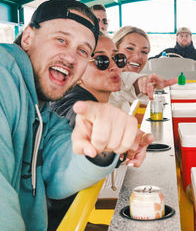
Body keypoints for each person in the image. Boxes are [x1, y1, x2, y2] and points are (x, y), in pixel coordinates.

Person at [1, 0, 152, 231]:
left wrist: (103, 145)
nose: (71, 58)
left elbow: (60, 174)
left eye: (83, 51)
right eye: (61, 40)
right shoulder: (3, 76)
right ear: (28, 37)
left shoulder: (46, 117)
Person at [48, 34, 147, 230]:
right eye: (101, 60)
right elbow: (78, 118)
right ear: (76, 70)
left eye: (117, 59)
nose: (115, 66)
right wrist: (101, 128)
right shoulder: (75, 104)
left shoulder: (90, 98)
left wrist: (120, 144)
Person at [110, 26, 177, 112]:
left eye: (144, 52)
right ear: (114, 49)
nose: (137, 57)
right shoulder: (103, 81)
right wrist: (138, 83)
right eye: (130, 48)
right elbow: (122, 85)